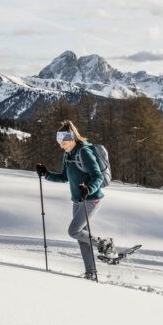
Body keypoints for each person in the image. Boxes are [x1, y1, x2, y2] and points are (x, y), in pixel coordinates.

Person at [35, 120, 115, 280]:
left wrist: (89, 189)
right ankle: (91, 272)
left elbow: (98, 176)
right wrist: (47, 174)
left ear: (72, 139)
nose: (61, 146)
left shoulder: (84, 152)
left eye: (64, 143)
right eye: (60, 143)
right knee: (82, 238)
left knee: (74, 231)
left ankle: (103, 243)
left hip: (91, 199)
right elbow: (65, 177)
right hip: (77, 201)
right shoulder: (67, 154)